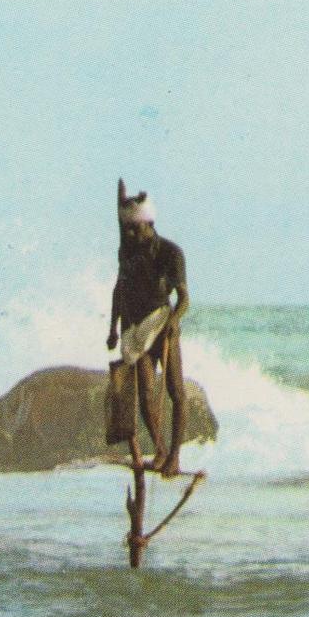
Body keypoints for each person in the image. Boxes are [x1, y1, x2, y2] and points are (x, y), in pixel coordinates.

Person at [106, 180, 190, 476]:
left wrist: (172, 322)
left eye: (134, 229)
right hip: (135, 329)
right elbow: (119, 288)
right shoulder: (127, 250)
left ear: (148, 224)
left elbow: (184, 300)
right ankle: (160, 450)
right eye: (126, 229)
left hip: (161, 324)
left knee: (175, 391)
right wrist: (113, 328)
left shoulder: (170, 252)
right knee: (144, 395)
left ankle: (175, 456)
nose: (129, 234)